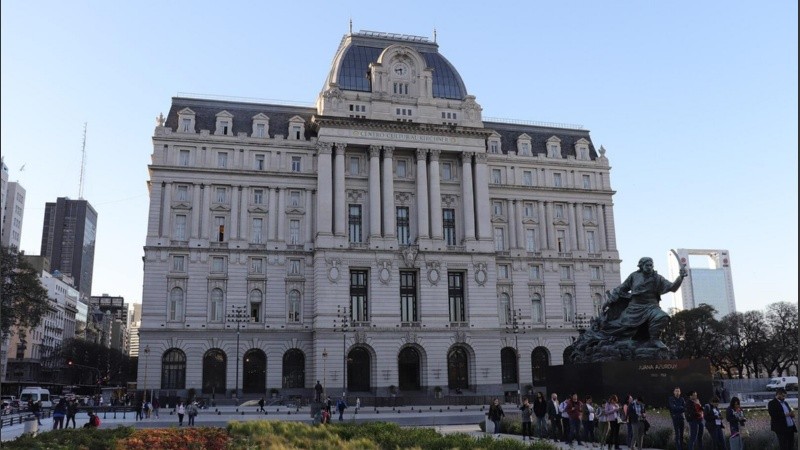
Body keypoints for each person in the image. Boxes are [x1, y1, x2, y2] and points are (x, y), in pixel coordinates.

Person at [601, 257, 687, 348]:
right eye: (647, 265)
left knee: (663, 317)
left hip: (652, 307)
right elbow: (621, 289)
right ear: (641, 266)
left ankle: (654, 339)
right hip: (634, 308)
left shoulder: (657, 278)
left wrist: (680, 277)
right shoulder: (634, 276)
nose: (649, 267)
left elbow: (672, 287)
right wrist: (610, 301)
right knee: (618, 327)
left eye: (651, 265)